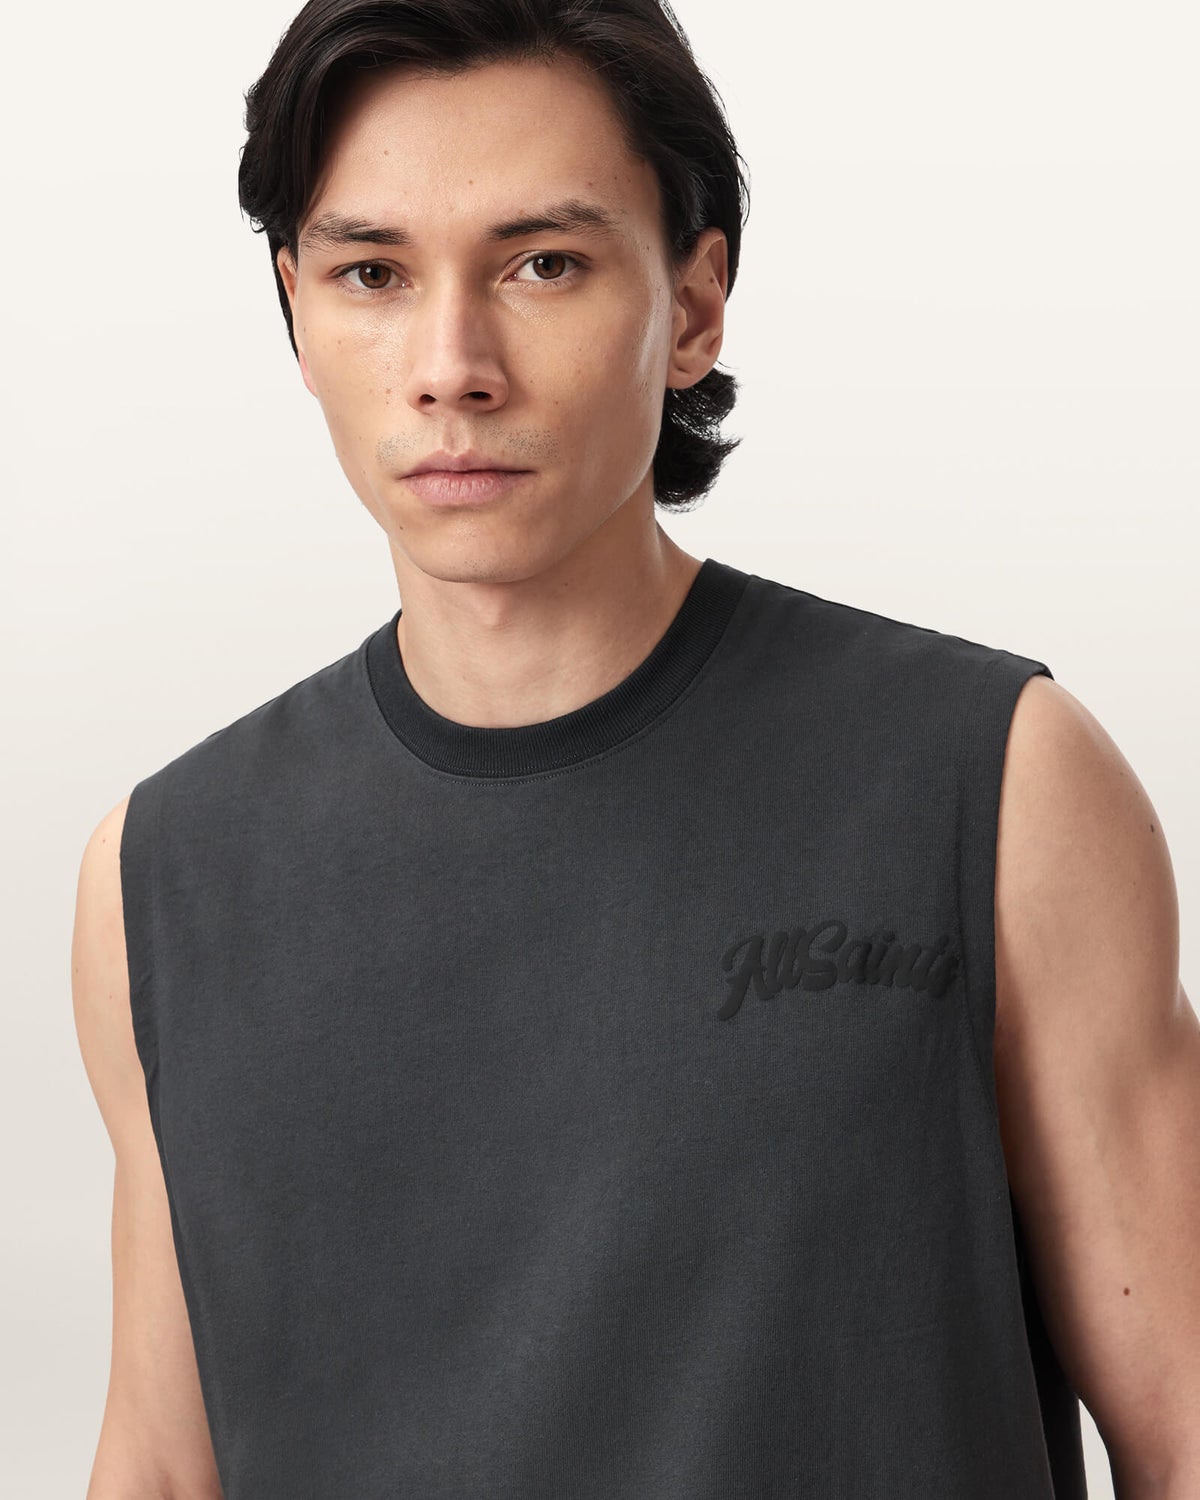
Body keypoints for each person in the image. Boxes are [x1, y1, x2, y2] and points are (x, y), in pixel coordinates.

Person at [71, 2, 1199, 1496]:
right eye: (372, 274)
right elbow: (160, 1466)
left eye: (543, 263)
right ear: (297, 311)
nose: (451, 366)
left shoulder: (996, 786)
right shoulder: (162, 875)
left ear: (697, 303)